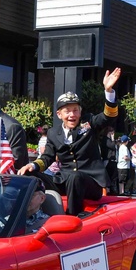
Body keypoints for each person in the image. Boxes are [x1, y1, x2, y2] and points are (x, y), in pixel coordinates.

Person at [18, 68, 122, 216]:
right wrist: (32, 165)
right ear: (59, 115)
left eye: (75, 110)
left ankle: (72, 217)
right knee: (30, 174)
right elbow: (47, 157)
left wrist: (109, 91)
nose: (72, 115)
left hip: (90, 183)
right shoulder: (54, 133)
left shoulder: (89, 123)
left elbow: (108, 116)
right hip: (65, 180)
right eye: (67, 111)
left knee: (75, 177)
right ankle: (30, 214)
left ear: (80, 112)